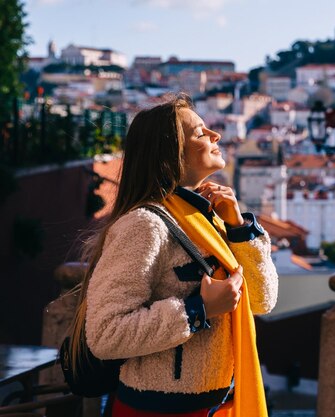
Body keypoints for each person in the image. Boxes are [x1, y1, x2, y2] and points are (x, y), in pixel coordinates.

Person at [67, 94, 278, 417]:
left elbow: (262, 300)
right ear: (171, 153)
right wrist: (198, 310)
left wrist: (238, 229)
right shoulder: (144, 225)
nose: (215, 136)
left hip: (218, 404)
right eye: (200, 132)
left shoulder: (210, 220)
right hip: (158, 409)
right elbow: (106, 334)